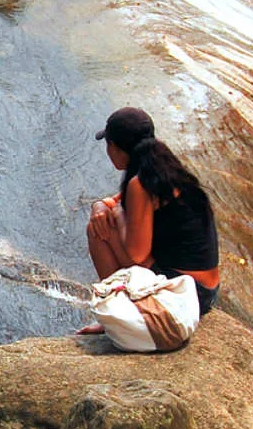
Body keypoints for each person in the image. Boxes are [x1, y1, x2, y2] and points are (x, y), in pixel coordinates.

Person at [80, 107, 221, 333]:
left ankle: (119, 315)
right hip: (206, 290)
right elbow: (113, 201)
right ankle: (123, 313)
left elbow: (137, 254)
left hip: (186, 291)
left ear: (115, 147)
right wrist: (100, 206)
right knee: (103, 219)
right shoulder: (163, 167)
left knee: (97, 231)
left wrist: (118, 214)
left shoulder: (141, 184)